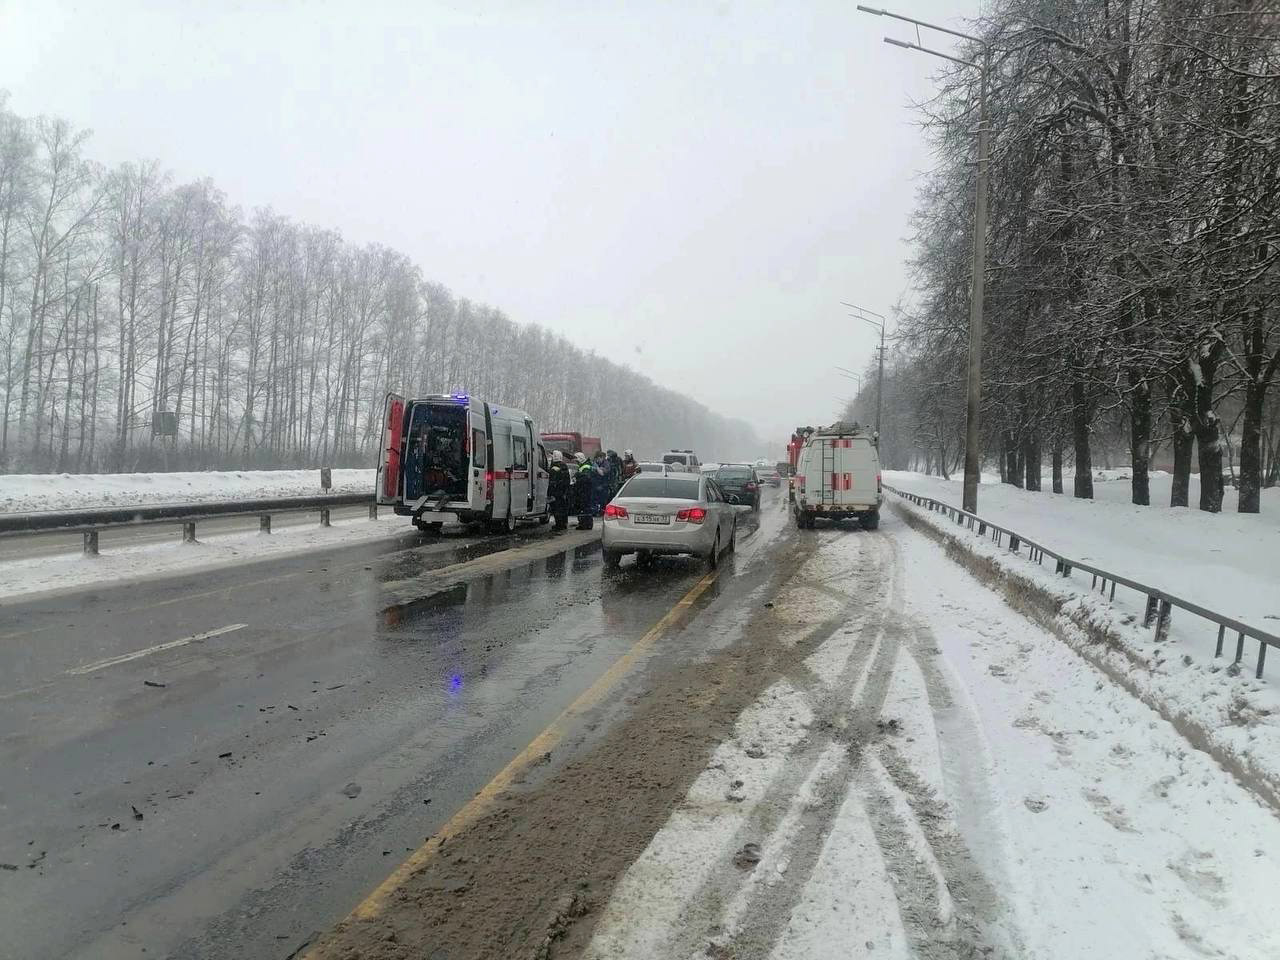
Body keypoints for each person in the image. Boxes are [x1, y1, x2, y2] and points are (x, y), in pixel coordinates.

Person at [548, 450, 571, 530]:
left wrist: (550, 493)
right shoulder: (564, 466)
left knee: (556, 509)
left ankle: (559, 525)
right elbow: (567, 480)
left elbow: (552, 482)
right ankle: (564, 523)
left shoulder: (554, 468)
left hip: (556, 492)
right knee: (563, 508)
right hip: (564, 492)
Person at [574, 452, 595, 529]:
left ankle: (585, 524)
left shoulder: (586, 467)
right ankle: (585, 523)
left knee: (585, 508)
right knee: (585, 508)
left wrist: (577, 476)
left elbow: (586, 478)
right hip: (584, 490)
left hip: (585, 490)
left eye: (577, 460)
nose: (576, 462)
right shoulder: (583, 466)